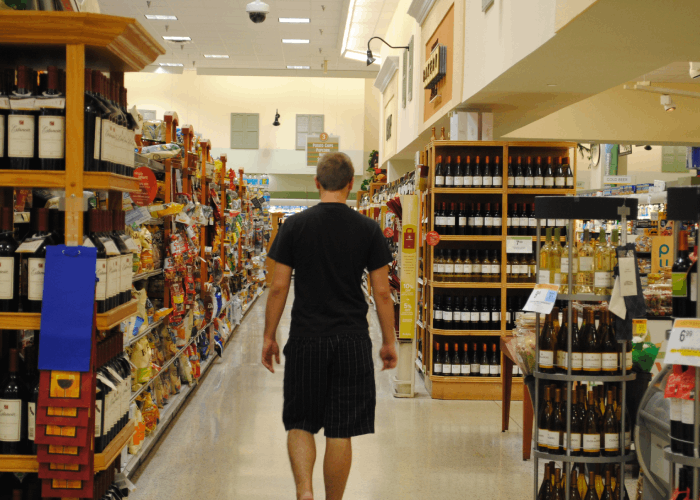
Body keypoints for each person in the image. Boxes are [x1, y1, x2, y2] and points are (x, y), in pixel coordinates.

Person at [261, 152, 398, 500]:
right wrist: (389, 341)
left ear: (317, 182)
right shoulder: (368, 228)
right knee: (341, 428)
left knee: (300, 421)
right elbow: (382, 292)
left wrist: (269, 336)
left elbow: (278, 287)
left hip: (306, 337)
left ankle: (304, 491)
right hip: (352, 339)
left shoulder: (294, 226)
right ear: (351, 184)